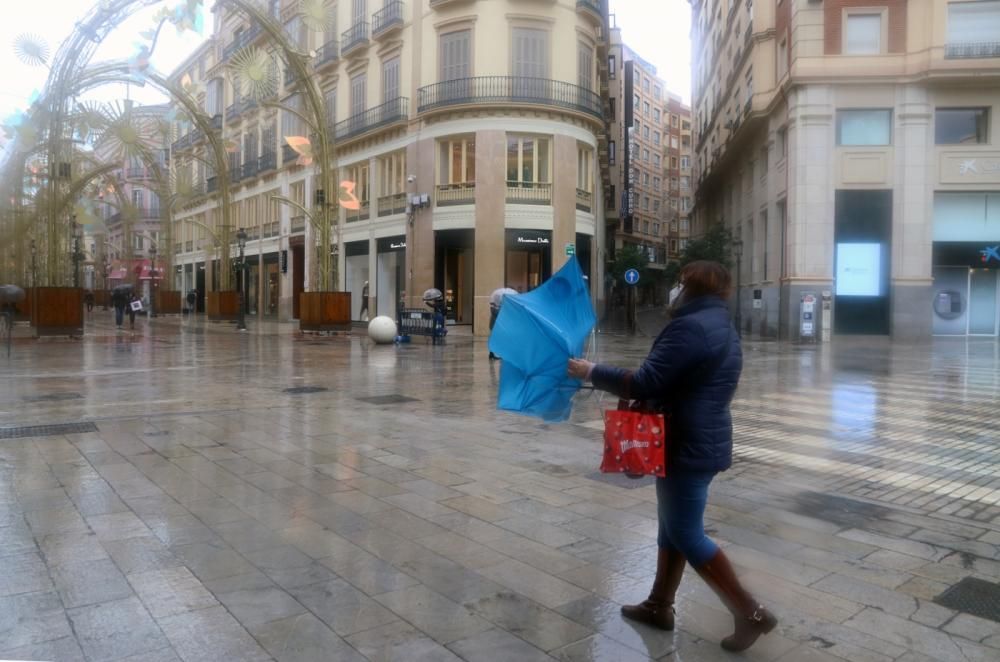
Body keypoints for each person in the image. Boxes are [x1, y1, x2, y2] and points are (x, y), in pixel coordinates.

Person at [567, 261, 776, 653]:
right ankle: (659, 605)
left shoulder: (690, 327)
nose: (673, 290)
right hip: (700, 437)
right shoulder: (719, 325)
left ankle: (751, 612)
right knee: (672, 527)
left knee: (686, 533)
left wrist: (592, 371)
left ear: (691, 288)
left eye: (679, 284)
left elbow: (647, 380)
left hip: (685, 441)